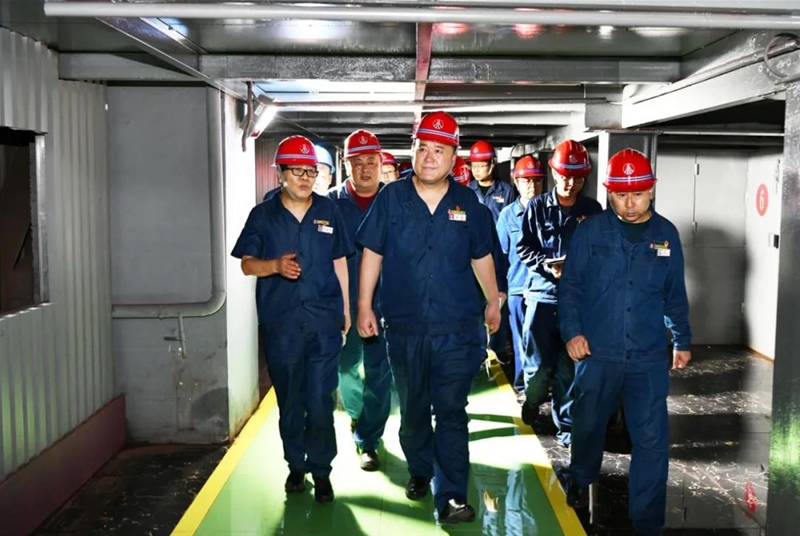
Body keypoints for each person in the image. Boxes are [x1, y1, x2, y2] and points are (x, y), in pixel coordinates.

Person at [356, 111, 501, 525]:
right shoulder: (391, 198)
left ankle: (451, 494)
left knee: (452, 411)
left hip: (457, 328)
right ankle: (420, 468)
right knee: (414, 408)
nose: (429, 157)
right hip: (405, 326)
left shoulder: (468, 204)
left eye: (439, 150)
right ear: (413, 151)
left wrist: (493, 300)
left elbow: (481, 256)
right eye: (423, 148)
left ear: (454, 157)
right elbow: (372, 252)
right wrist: (364, 305)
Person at [558, 148, 691, 536]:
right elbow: (571, 288)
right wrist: (572, 333)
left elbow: (674, 294)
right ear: (608, 192)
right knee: (588, 424)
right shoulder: (590, 232)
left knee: (651, 441)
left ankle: (647, 522)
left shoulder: (666, 235)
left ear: (652, 190)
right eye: (620, 195)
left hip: (648, 355)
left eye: (637, 194)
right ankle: (580, 477)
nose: (629, 203)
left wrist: (682, 339)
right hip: (597, 352)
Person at [231, 135, 353, 503]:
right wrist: (274, 266)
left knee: (320, 401)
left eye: (311, 171)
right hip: (281, 326)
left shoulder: (329, 211)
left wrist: (346, 310)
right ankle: (295, 465)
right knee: (290, 402)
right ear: (280, 174)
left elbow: (339, 261)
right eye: (297, 171)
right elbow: (246, 264)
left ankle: (322, 470)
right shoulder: (263, 215)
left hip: (323, 322)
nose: (305, 178)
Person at [516, 140, 602, 448]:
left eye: (577, 178)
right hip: (542, 298)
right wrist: (546, 265)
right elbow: (524, 247)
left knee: (569, 369)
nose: (570, 183)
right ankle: (532, 400)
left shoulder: (592, 211)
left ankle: (566, 427)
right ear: (554, 173)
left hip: (577, 304)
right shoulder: (537, 207)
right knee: (540, 370)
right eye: (565, 176)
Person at [328, 129, 392, 471]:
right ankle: (356, 413)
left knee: (381, 371)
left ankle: (368, 439)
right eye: (357, 162)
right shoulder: (329, 204)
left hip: (387, 303)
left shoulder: (396, 201)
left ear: (380, 162)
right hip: (345, 303)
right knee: (346, 366)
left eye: (371, 161)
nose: (365, 169)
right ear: (346, 164)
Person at [496, 155, 545, 396]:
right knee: (520, 342)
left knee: (543, 343)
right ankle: (523, 387)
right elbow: (499, 256)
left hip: (545, 290)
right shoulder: (507, 215)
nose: (532, 186)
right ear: (516, 182)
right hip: (517, 289)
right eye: (526, 181)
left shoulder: (550, 212)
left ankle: (541, 386)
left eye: (536, 180)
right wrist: (499, 291)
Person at [466, 140, 516, 222]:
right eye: (474, 166)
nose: (476, 170)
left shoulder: (506, 191)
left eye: (481, 166)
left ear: (492, 164)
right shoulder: (467, 190)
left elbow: (512, 220)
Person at [264, 144, 335, 201]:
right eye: (298, 170)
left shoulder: (333, 206)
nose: (315, 181)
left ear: (329, 179)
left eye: (321, 177)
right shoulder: (273, 199)